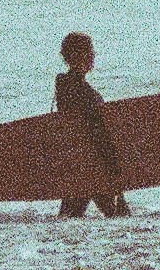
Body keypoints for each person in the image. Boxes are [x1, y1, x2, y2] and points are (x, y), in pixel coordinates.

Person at [54, 31, 130, 218]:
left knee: (69, 216)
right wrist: (113, 165)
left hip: (77, 163)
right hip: (94, 165)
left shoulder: (65, 86)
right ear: (79, 56)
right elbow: (96, 130)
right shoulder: (81, 91)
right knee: (119, 217)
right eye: (90, 52)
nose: (93, 56)